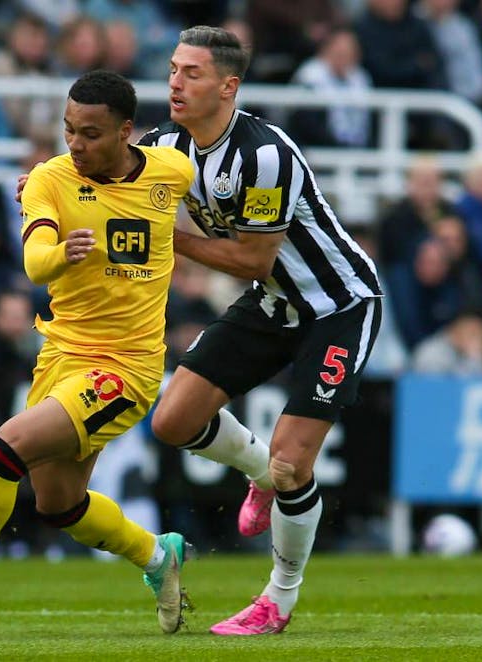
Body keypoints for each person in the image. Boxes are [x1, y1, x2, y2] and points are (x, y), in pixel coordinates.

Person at [0, 70, 197, 634]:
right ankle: (159, 556)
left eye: (90, 133)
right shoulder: (49, 180)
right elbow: (34, 261)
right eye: (68, 129)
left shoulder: (171, 171)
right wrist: (64, 252)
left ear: (126, 132)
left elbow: (209, 179)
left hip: (127, 369)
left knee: (5, 447)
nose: (76, 144)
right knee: (59, 505)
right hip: (63, 355)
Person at [141, 27, 382, 635]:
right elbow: (104, 174)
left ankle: (278, 599)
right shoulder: (165, 143)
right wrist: (51, 189)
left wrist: (165, 235)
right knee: (172, 422)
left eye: (191, 73)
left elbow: (253, 259)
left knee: (291, 464)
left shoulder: (264, 153)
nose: (175, 82)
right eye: (173, 69)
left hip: (338, 306)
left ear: (228, 86)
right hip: (272, 305)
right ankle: (255, 478)